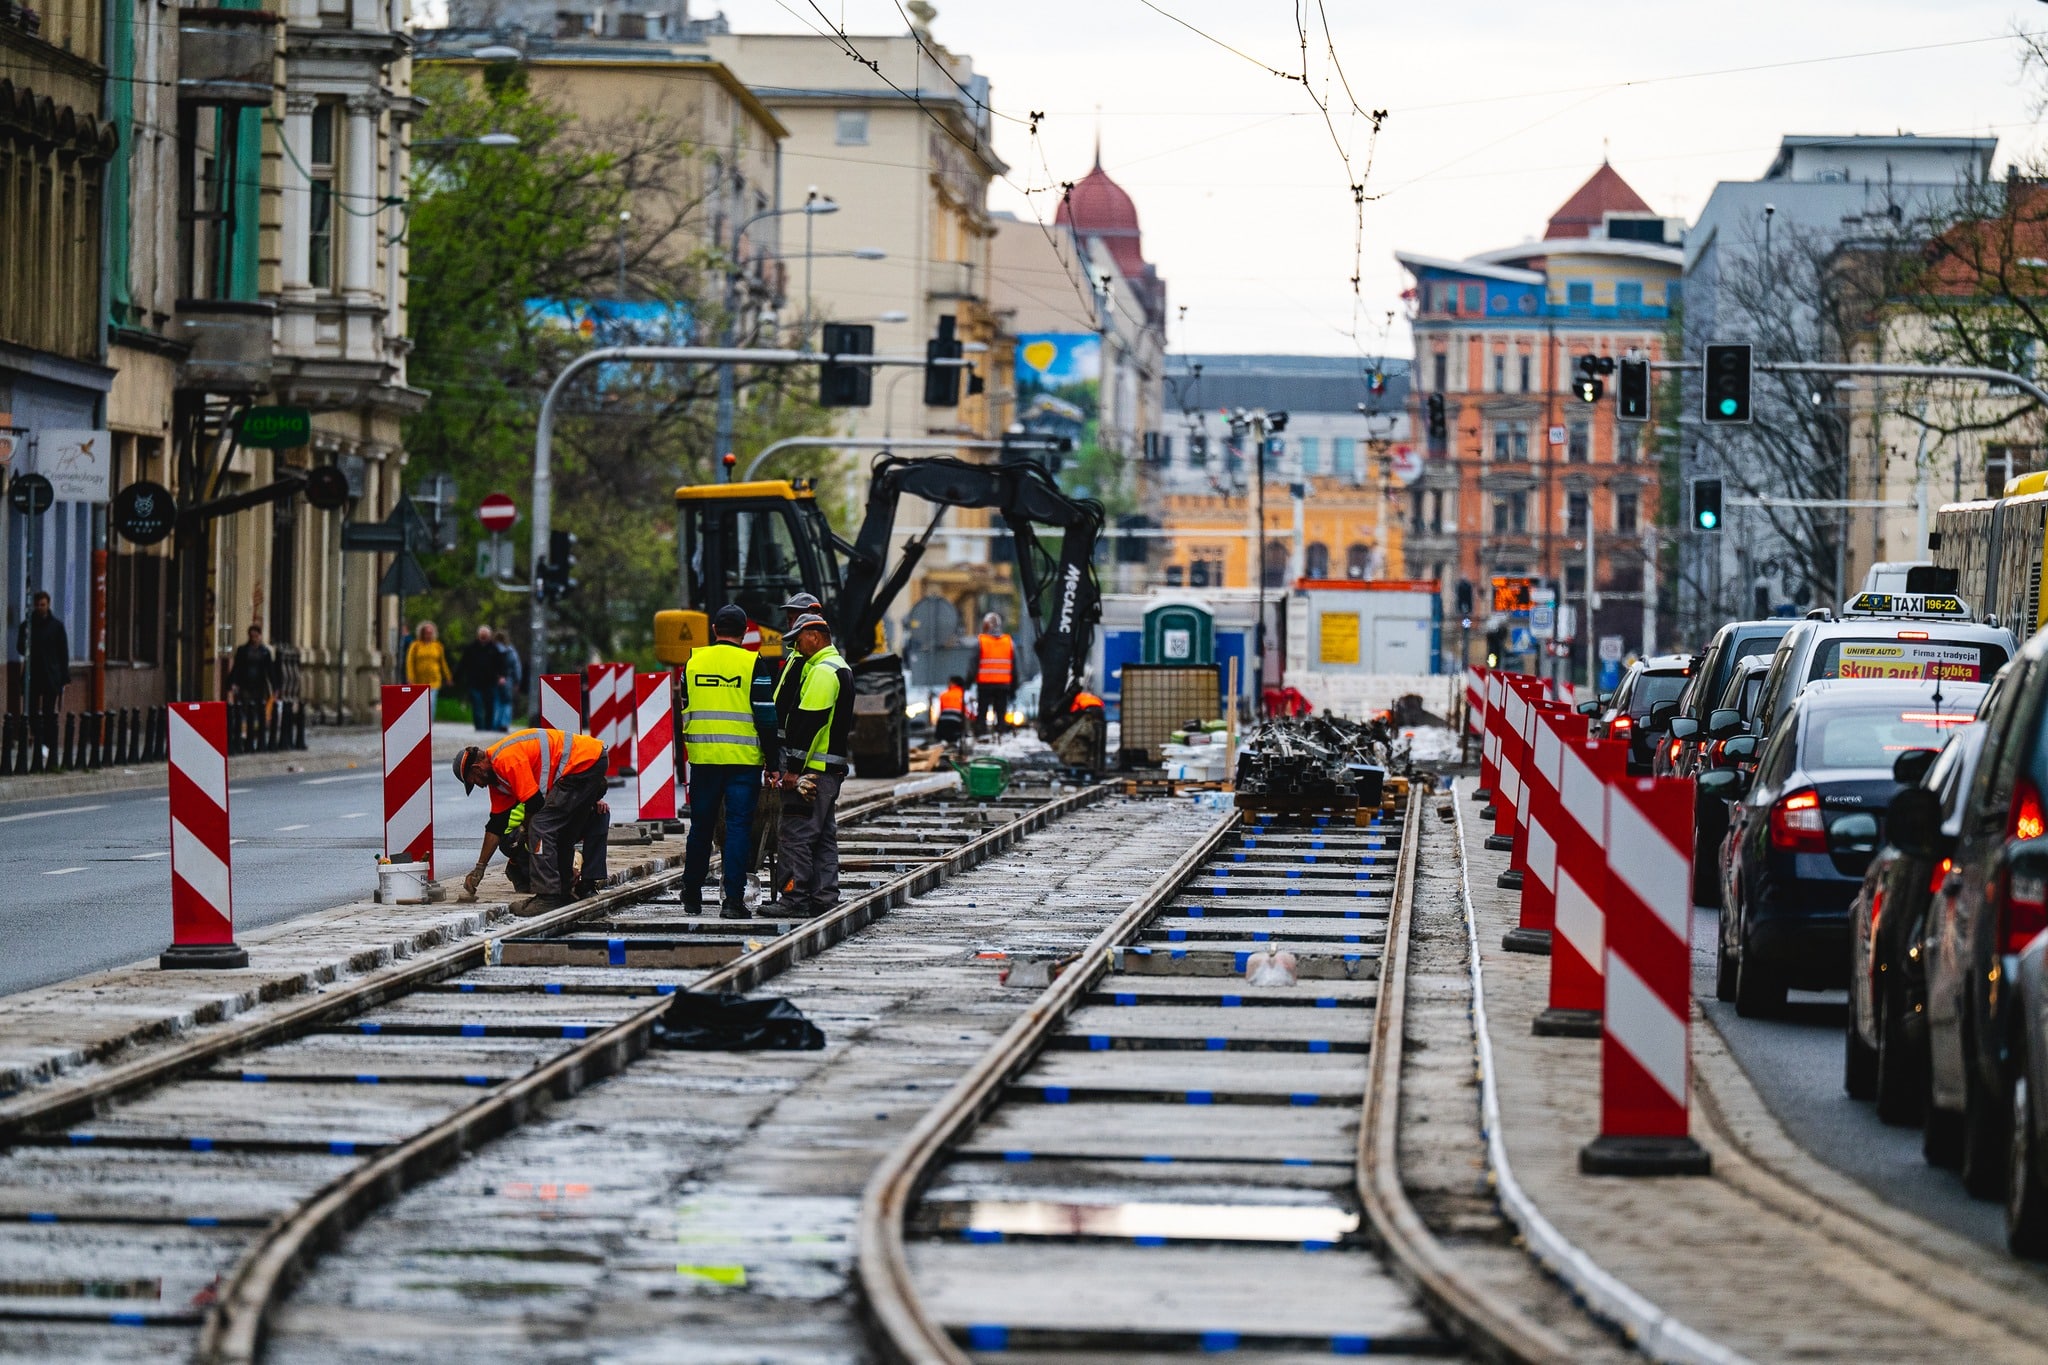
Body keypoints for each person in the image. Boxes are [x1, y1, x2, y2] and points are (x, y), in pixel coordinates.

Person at [680, 604, 781, 919]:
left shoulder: (693, 663)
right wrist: (773, 761)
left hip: (704, 759)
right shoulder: (753, 664)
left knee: (701, 827)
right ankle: (732, 903)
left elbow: (686, 706)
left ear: (714, 631)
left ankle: (692, 896)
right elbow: (766, 716)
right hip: (742, 762)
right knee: (738, 828)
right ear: (744, 633)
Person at [453, 726, 609, 915]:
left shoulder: (506, 759)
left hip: (583, 762)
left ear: (477, 768)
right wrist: (479, 869)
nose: (478, 786)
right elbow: (496, 825)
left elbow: (535, 804)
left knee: (541, 826)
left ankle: (548, 897)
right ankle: (566, 890)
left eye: (473, 781)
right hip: (589, 760)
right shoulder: (498, 783)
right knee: (563, 831)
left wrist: (527, 832)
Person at [775, 613, 854, 917]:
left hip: (812, 773)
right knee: (822, 838)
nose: (795, 644)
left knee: (795, 836)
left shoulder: (823, 671)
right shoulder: (840, 668)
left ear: (815, 635)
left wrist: (793, 769)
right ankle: (824, 898)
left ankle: (793, 900)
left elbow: (810, 723)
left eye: (799, 637)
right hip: (829, 773)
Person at [15, 590, 68, 755]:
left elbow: (63, 653)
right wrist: (26, 640)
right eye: (37, 605)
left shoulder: (57, 626)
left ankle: (47, 744)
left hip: (51, 675)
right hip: (32, 675)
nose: (40, 608)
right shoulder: (27, 625)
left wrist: (64, 678)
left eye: (43, 605)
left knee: (48, 711)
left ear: (48, 605)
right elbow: (21, 649)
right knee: (30, 711)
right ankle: (38, 739)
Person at [971, 611, 1016, 738]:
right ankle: (1001, 733)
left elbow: (973, 665)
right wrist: (1014, 687)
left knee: (982, 712)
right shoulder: (1008, 642)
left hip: (984, 684)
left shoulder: (981, 641)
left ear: (986, 625)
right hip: (1003, 685)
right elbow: (1015, 667)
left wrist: (968, 682)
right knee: (1001, 712)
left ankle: (981, 733)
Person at [457, 625, 506, 731]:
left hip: (490, 683)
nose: (483, 638)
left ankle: (488, 727)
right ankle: (479, 727)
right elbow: (463, 664)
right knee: (477, 706)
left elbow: (501, 664)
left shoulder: (494, 649)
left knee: (489, 706)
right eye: (482, 635)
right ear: (478, 636)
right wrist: (456, 677)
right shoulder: (471, 648)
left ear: (489, 636)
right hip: (474, 682)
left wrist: (502, 676)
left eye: (486, 636)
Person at [227, 624, 281, 710]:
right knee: (245, 706)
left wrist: (275, 687)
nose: (254, 639)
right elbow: (236, 667)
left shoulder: (265, 652)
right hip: (245, 683)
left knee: (258, 707)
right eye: (252, 636)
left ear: (260, 636)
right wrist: (232, 683)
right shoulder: (242, 650)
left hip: (259, 685)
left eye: (256, 636)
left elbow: (270, 671)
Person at [406, 621, 454, 708]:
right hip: (418, 681)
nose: (428, 635)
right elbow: (410, 662)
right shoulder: (415, 645)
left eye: (430, 633)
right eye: (426, 633)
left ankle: (430, 721)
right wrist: (410, 678)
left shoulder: (437, 646)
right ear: (422, 633)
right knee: (421, 705)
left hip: (434, 680)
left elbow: (443, 663)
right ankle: (422, 721)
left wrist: (448, 676)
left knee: (431, 702)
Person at [492, 628, 524, 731]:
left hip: (493, 679)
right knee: (506, 702)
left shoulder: (492, 649)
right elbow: (516, 666)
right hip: (508, 680)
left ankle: (495, 723)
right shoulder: (511, 650)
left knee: (496, 702)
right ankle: (504, 723)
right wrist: (517, 681)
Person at [934, 674, 969, 747]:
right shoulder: (964, 694)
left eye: (949, 682)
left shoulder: (943, 695)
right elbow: (968, 712)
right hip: (956, 722)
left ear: (954, 683)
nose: (948, 684)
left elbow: (941, 710)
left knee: (944, 738)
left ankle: (943, 743)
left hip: (942, 722)